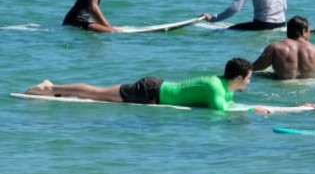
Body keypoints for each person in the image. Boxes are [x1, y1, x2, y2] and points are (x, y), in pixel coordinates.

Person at [24, 57, 253, 111]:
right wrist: (254, 110)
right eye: (249, 77)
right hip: (151, 90)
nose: (250, 81)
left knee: (98, 94)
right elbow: (221, 112)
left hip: (156, 90)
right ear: (239, 78)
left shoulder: (227, 89)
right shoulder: (215, 87)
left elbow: (227, 106)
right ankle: (51, 88)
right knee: (97, 94)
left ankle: (57, 90)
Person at [250, 16, 315, 79]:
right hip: (310, 84)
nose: (309, 35)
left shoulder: (275, 47)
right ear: (304, 31)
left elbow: (255, 68)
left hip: (284, 85)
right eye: (309, 32)